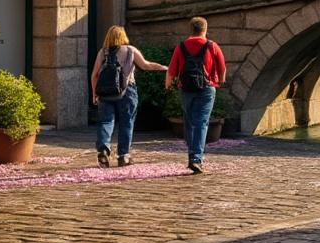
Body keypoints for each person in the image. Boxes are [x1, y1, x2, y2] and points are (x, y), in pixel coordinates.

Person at [91, 26, 167, 167]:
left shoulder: (103, 52)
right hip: (127, 92)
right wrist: (163, 67)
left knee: (106, 121)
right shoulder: (130, 50)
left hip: (105, 93)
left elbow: (94, 75)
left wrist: (95, 94)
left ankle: (103, 150)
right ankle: (123, 156)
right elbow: (146, 65)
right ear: (123, 36)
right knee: (127, 122)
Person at [166, 16, 227, 174]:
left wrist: (168, 85)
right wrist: (220, 81)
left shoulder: (181, 46)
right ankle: (195, 159)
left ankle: (192, 155)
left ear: (191, 29)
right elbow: (222, 68)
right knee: (201, 122)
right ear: (205, 29)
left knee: (189, 122)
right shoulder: (212, 46)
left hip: (186, 89)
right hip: (206, 88)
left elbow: (171, 70)